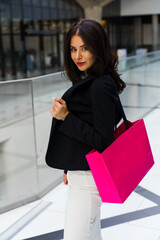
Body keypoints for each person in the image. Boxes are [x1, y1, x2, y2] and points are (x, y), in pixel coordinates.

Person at [45, 19, 126, 240]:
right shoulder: (95, 80)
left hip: (89, 181)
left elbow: (102, 140)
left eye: (85, 48)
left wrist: (66, 117)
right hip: (84, 176)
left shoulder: (99, 85)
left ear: (97, 47)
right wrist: (67, 168)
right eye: (73, 49)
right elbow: (89, 127)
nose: (78, 56)